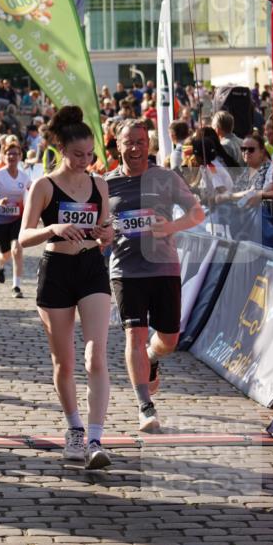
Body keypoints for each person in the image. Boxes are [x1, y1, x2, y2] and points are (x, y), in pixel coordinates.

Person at [19, 106, 114, 470]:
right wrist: (53, 228)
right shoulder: (44, 186)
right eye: (78, 155)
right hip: (56, 269)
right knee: (65, 361)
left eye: (90, 155)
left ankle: (95, 437)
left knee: (96, 356)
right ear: (60, 149)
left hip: (91, 268)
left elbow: (105, 229)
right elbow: (24, 237)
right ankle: (73, 427)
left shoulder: (99, 184)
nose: (84, 161)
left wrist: (107, 233)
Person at [106, 121, 205, 433]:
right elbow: (97, 225)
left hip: (163, 267)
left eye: (140, 142)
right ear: (117, 146)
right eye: (128, 143)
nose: (135, 148)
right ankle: (144, 405)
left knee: (169, 340)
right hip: (126, 269)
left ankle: (152, 356)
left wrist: (170, 227)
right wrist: (101, 236)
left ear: (148, 145)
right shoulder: (105, 184)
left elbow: (197, 213)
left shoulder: (165, 177)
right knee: (133, 335)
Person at [0, 142, 31, 298]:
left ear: (20, 156)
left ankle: (16, 286)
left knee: (17, 250)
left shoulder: (24, 176)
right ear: (4, 156)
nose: (12, 156)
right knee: (6, 254)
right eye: (9, 153)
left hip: (17, 219)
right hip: (0, 220)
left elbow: (33, 190)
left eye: (15, 153)